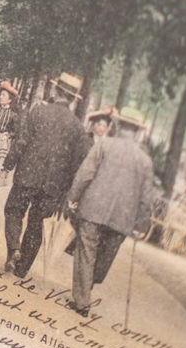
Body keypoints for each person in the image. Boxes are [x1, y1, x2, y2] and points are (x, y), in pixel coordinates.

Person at [65, 108, 155, 317]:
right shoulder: (145, 161)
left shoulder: (104, 145)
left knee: (86, 254)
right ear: (138, 131)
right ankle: (85, 293)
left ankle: (82, 298)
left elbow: (84, 175)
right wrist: (142, 225)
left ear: (118, 125)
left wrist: (73, 198)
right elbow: (146, 198)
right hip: (122, 219)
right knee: (104, 258)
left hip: (93, 210)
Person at [1, 73, 90, 278]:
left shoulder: (38, 112)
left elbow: (21, 141)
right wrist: (68, 191)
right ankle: (22, 269)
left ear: (55, 90)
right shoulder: (77, 127)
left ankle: (14, 249)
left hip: (27, 175)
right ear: (72, 99)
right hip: (52, 186)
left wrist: (8, 163)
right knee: (36, 223)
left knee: (14, 210)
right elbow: (80, 162)